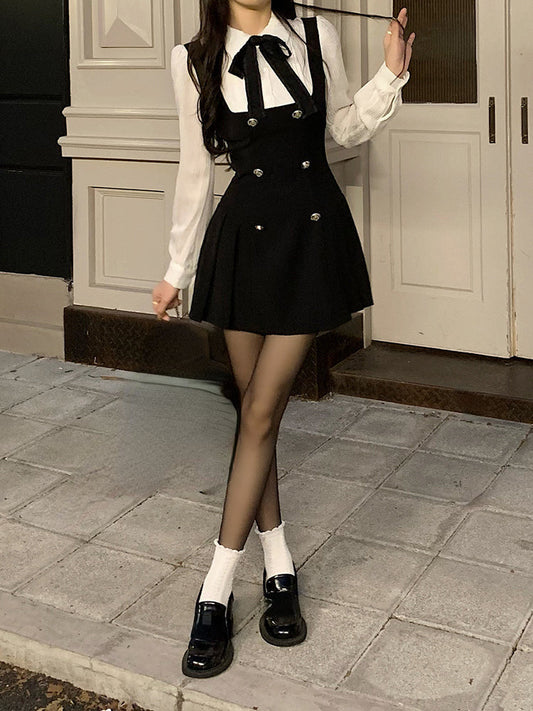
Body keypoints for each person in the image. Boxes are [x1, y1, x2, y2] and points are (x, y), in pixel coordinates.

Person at [151, 0, 414, 679]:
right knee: (254, 415)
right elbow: (194, 168)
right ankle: (278, 564)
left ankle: (214, 591)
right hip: (242, 241)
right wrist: (176, 269)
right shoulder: (191, 60)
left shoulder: (315, 34)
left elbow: (342, 129)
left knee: (262, 410)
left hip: (309, 236)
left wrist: (389, 76)